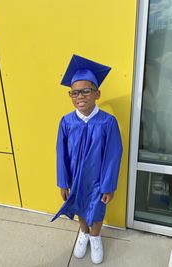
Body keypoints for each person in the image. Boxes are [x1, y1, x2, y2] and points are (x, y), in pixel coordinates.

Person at [51, 54, 123, 264]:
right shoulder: (66, 122)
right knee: (79, 205)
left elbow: (113, 155)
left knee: (98, 209)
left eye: (85, 91)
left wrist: (109, 186)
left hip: (99, 179)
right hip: (75, 178)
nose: (79, 96)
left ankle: (95, 236)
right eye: (74, 93)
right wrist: (63, 181)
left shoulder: (108, 122)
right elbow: (60, 153)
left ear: (97, 93)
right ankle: (83, 232)